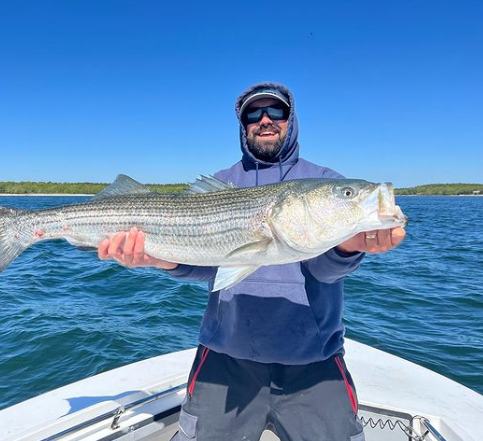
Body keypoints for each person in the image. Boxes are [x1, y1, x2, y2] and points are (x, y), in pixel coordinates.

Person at [98, 82, 406, 441]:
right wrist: (160, 259)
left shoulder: (324, 181)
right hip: (225, 356)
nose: (265, 120)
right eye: (253, 114)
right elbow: (208, 266)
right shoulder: (224, 182)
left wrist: (349, 247)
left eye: (276, 112)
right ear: (242, 124)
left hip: (314, 359)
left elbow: (323, 270)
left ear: (291, 120)